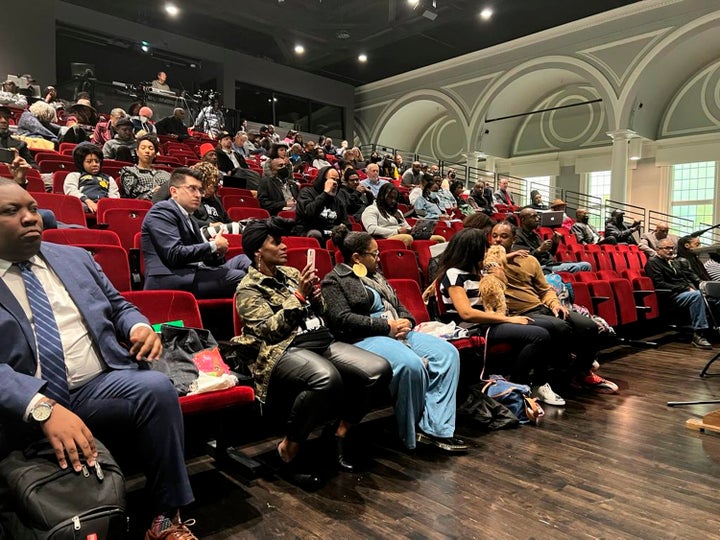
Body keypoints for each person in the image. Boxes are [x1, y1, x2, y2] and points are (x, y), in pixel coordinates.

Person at [0, 178, 196, 539]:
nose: (30, 218)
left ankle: (165, 517)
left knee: (156, 387)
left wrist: (138, 326)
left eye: (31, 208)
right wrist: (41, 406)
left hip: (95, 385)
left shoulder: (75, 258)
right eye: (12, 211)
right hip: (24, 403)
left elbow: (120, 305)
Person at [235, 218, 392, 486]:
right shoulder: (248, 289)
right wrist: (297, 297)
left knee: (379, 370)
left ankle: (339, 431)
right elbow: (269, 331)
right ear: (258, 252)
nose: (284, 247)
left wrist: (316, 296)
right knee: (326, 377)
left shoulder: (293, 274)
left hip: (320, 339)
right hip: (283, 348)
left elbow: (325, 314)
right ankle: (289, 446)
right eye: (276, 243)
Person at [322, 225, 467, 451]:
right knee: (411, 365)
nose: (379, 258)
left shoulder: (377, 276)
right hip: (364, 336)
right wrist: (386, 326)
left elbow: (399, 306)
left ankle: (435, 427)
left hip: (397, 330)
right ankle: (411, 433)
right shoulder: (334, 280)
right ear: (356, 257)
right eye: (374, 254)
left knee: (448, 354)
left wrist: (407, 321)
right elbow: (341, 320)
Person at [434, 228, 564, 406]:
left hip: (488, 322)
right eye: (484, 248)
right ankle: (519, 385)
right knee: (539, 335)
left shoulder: (479, 272)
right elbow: (466, 313)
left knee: (548, 326)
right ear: (472, 250)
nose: (487, 252)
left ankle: (538, 383)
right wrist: (509, 319)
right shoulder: (453, 274)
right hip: (471, 327)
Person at [491, 221, 619, 393]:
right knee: (561, 327)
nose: (498, 240)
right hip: (518, 313)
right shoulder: (487, 259)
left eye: (504, 236)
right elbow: (486, 267)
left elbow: (544, 289)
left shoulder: (529, 260)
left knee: (588, 326)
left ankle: (580, 373)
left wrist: (555, 304)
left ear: (514, 239)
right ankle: (559, 375)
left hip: (541, 307)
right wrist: (504, 258)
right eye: (495, 236)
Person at [141, 168, 250, 298]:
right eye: (192, 188)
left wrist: (218, 252)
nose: (198, 195)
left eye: (200, 190)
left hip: (194, 272)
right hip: (172, 278)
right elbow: (174, 254)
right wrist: (213, 246)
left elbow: (200, 256)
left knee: (244, 260)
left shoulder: (189, 219)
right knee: (242, 278)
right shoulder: (161, 212)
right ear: (174, 192)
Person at [645, 238, 714, 349]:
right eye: (667, 248)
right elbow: (659, 284)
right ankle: (699, 335)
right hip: (670, 296)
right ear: (658, 249)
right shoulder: (653, 262)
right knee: (696, 296)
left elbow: (685, 278)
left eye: (672, 248)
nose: (670, 251)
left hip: (682, 293)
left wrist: (694, 287)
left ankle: (713, 329)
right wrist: (685, 289)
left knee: (712, 296)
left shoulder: (672, 262)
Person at [514, 208, 591, 273]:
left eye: (537, 216)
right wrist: (539, 250)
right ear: (523, 220)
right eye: (533, 217)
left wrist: (555, 243)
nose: (537, 219)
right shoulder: (517, 236)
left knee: (586, 265)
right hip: (537, 268)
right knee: (575, 268)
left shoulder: (535, 235)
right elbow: (522, 259)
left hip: (549, 264)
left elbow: (549, 255)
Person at [294, 166, 348, 242]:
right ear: (322, 179)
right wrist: (325, 194)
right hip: (310, 230)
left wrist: (343, 228)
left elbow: (346, 222)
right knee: (315, 234)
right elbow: (308, 213)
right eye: (332, 179)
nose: (335, 183)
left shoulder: (337, 199)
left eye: (337, 180)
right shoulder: (306, 192)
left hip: (333, 233)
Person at [63, 144, 120, 213]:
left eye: (97, 161)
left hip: (104, 205)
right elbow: (71, 191)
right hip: (82, 203)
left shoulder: (109, 178)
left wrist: (104, 205)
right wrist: (88, 201)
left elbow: (114, 196)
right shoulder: (74, 175)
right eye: (89, 162)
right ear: (81, 163)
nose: (94, 164)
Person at [362, 183, 415, 248]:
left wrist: (413, 229)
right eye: (390, 197)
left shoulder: (397, 212)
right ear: (382, 196)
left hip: (399, 235)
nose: (393, 201)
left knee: (431, 238)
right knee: (407, 238)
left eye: (395, 199)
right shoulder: (371, 209)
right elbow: (371, 229)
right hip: (382, 239)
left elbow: (406, 226)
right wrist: (396, 231)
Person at [119, 135, 171, 200]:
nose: (147, 151)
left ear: (155, 154)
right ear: (137, 152)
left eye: (151, 148)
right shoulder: (129, 171)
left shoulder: (165, 174)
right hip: (142, 207)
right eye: (143, 148)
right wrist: (154, 192)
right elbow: (133, 195)